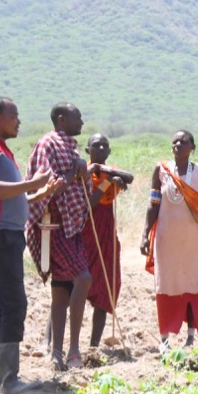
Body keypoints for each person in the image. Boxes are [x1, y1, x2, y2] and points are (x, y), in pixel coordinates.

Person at [0, 97, 53, 394]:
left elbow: (9, 197)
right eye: (14, 115)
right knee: (15, 304)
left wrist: (38, 191)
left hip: (4, 235)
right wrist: (30, 185)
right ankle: (8, 380)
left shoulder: (0, 147)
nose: (19, 121)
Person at [26, 103, 99, 371]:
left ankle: (57, 354)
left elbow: (78, 186)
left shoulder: (69, 146)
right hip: (54, 226)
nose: (81, 120)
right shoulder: (48, 144)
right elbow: (49, 186)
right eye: (76, 116)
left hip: (72, 227)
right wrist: (74, 171)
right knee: (83, 278)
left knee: (61, 290)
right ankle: (73, 350)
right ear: (61, 119)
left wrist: (82, 168)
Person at [141, 131, 198, 352]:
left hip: (195, 242)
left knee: (192, 284)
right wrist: (145, 234)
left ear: (192, 147)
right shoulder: (161, 171)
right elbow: (153, 205)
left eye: (184, 141)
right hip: (166, 239)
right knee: (166, 285)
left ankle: (190, 339)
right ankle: (164, 339)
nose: (178, 144)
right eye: (175, 141)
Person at [84, 134, 134, 349]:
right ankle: (53, 342)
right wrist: (106, 182)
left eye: (105, 145)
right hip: (85, 234)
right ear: (88, 151)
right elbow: (90, 204)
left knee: (105, 286)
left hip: (106, 235)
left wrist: (108, 174)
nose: (102, 147)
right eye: (96, 145)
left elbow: (129, 177)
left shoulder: (109, 171)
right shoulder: (83, 174)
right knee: (68, 290)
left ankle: (94, 346)